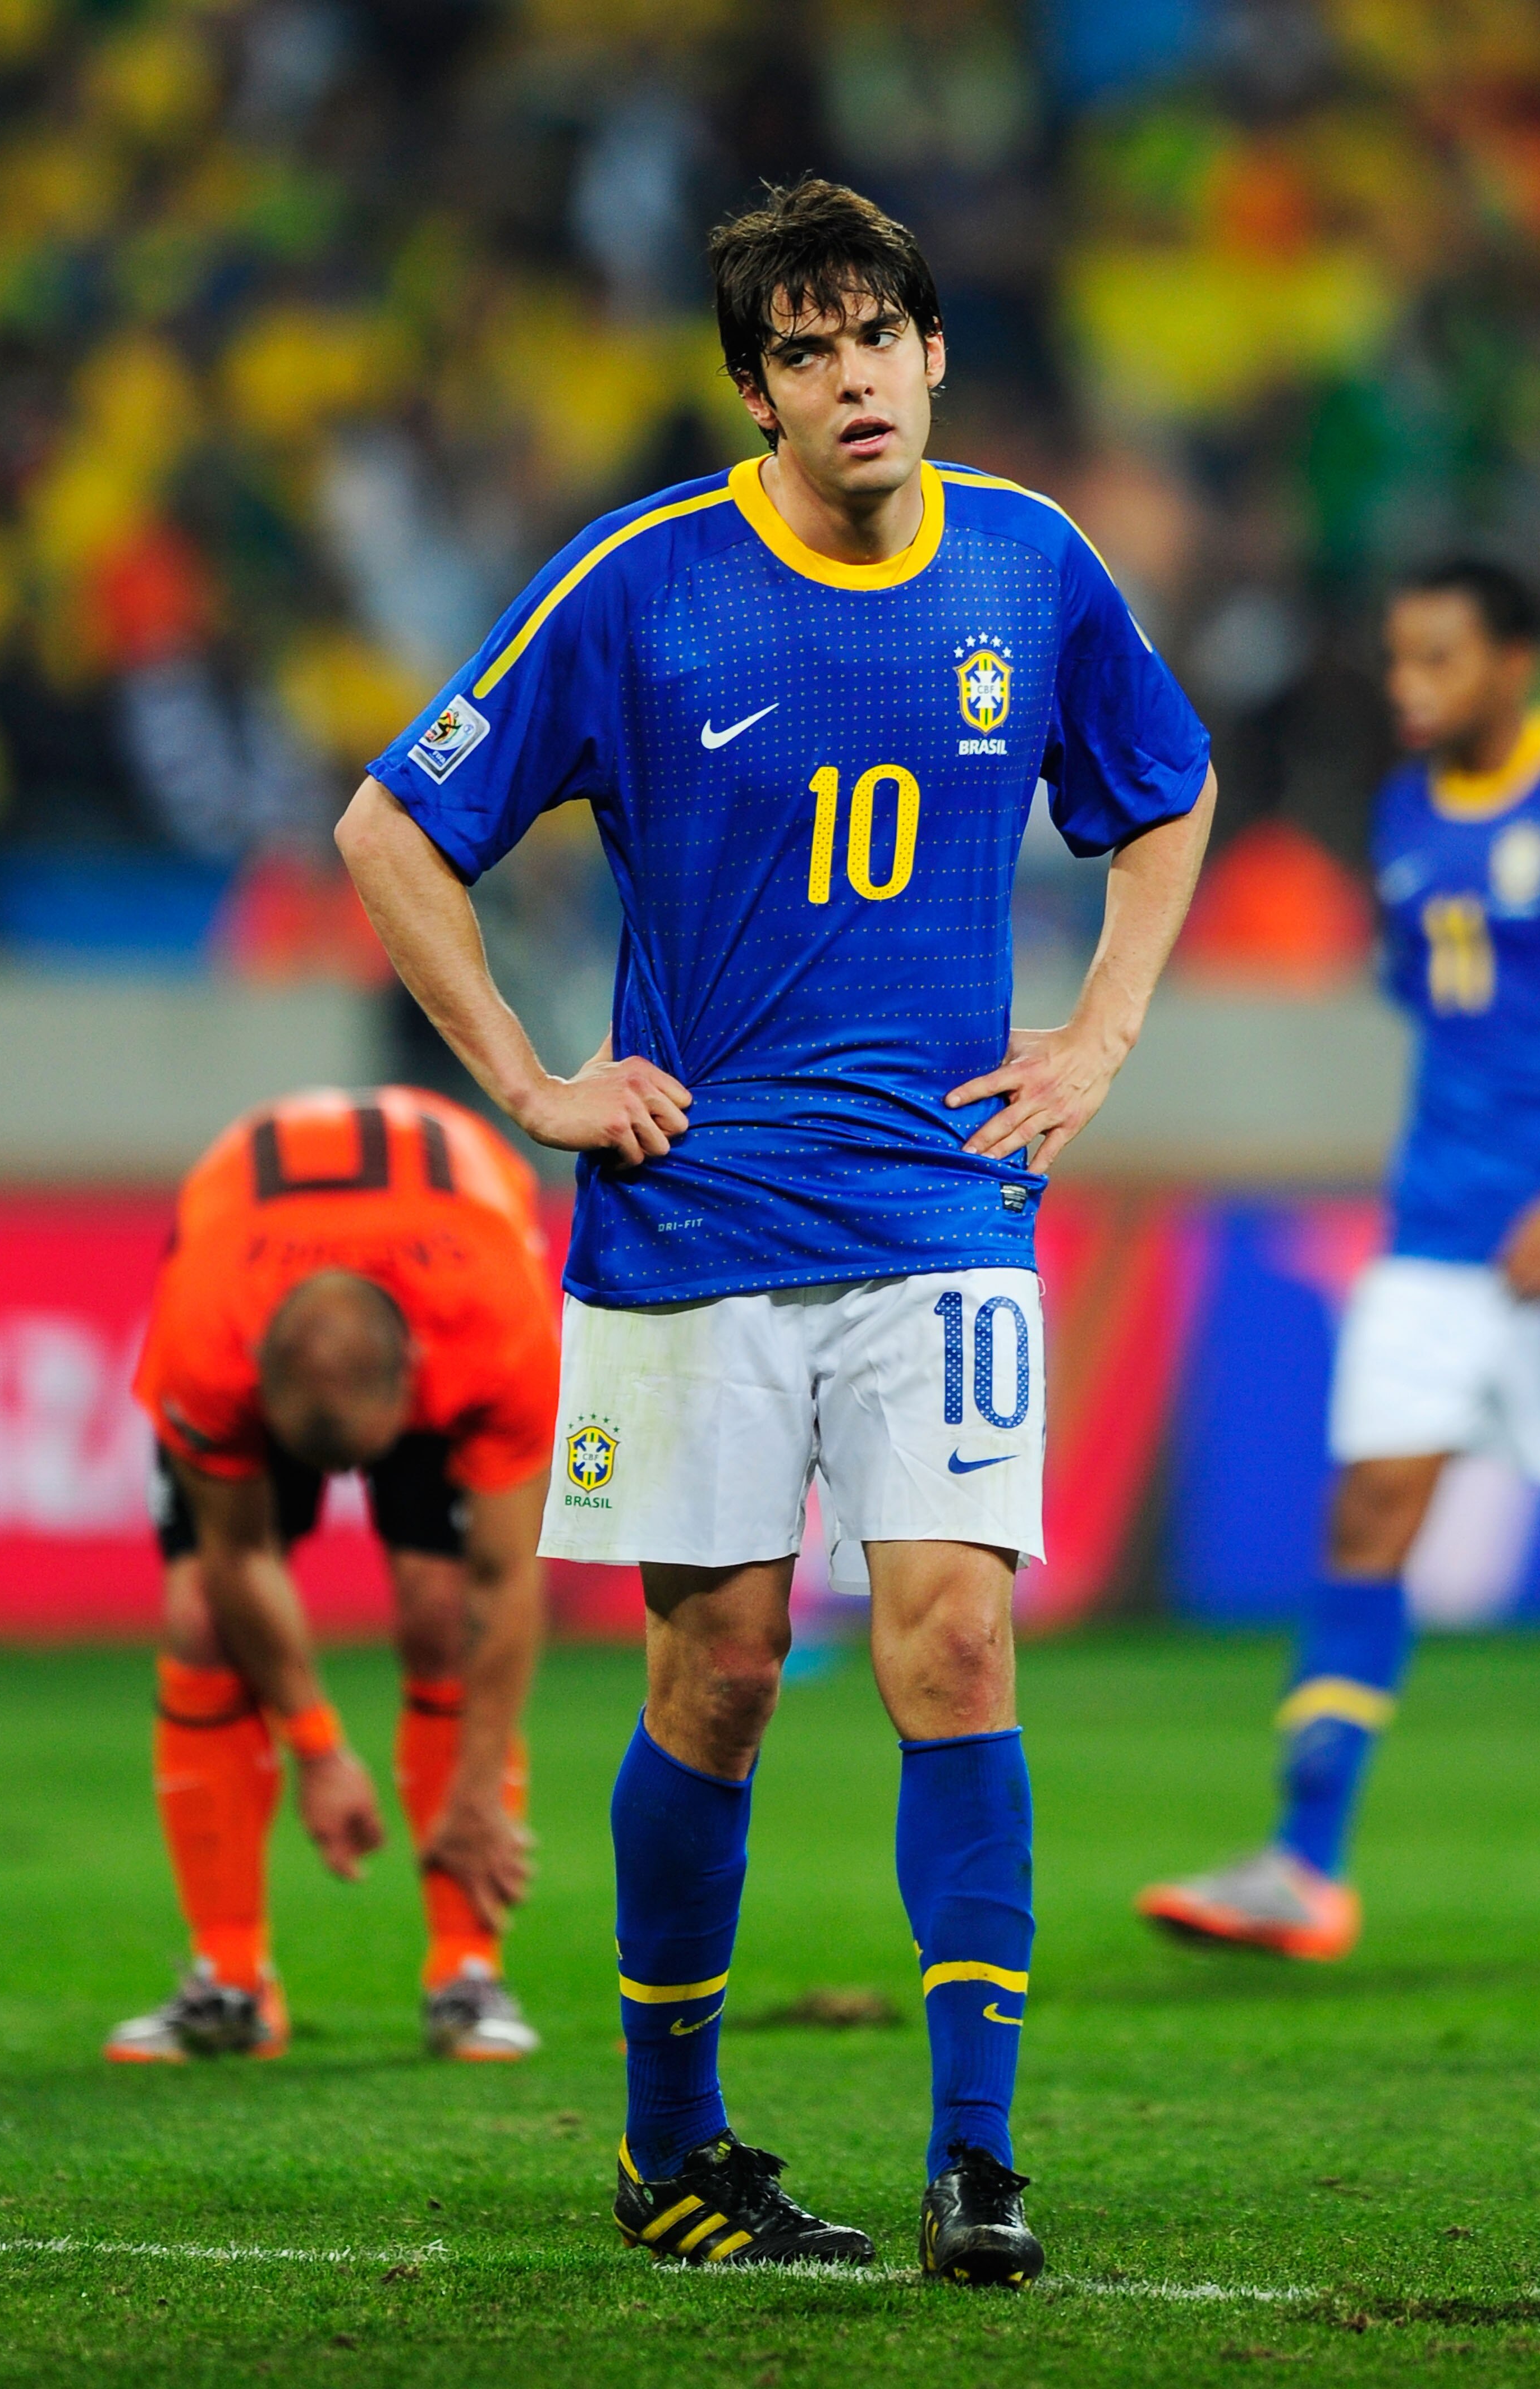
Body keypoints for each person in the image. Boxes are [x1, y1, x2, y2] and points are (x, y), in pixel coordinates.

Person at [337, 179, 1213, 2285]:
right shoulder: (645, 584)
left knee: (957, 1638)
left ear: (932, 351)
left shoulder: (1033, 560)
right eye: (804, 350)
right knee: (718, 1672)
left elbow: (1163, 789)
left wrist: (1098, 1032)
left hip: (941, 1204)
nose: (852, 378)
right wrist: (537, 1083)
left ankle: (976, 2164)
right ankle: (670, 2151)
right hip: (691, 1223)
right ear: (759, 388)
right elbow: (391, 827)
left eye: (877, 335)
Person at [1139, 559, 1540, 1962]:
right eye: (1399, 660)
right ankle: (1303, 1859)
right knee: (1370, 1515)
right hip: (1438, 1231)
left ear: (1517, 665)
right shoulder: (1398, 813)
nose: (1410, 687)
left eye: (1440, 660)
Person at [106, 1084, 560, 2063]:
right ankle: (230, 1978)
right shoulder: (205, 1338)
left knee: (442, 1610)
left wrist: (478, 1791)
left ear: (413, 1396)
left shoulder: (498, 1332)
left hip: (450, 1236)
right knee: (198, 1619)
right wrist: (318, 1749)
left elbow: (504, 1579)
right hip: (250, 1233)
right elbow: (238, 1553)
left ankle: (468, 1971)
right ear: (256, 1390)